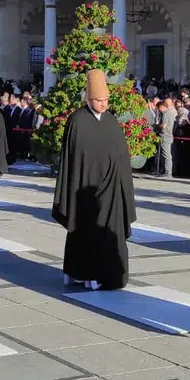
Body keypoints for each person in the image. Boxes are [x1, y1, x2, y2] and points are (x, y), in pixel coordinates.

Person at [53, 69, 136, 290]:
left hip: (111, 190)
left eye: (106, 100)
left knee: (110, 234)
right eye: (99, 100)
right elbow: (75, 158)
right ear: (89, 99)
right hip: (86, 190)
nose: (103, 104)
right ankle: (83, 273)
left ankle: (109, 275)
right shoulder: (78, 121)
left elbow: (121, 154)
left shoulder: (110, 120)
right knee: (86, 232)